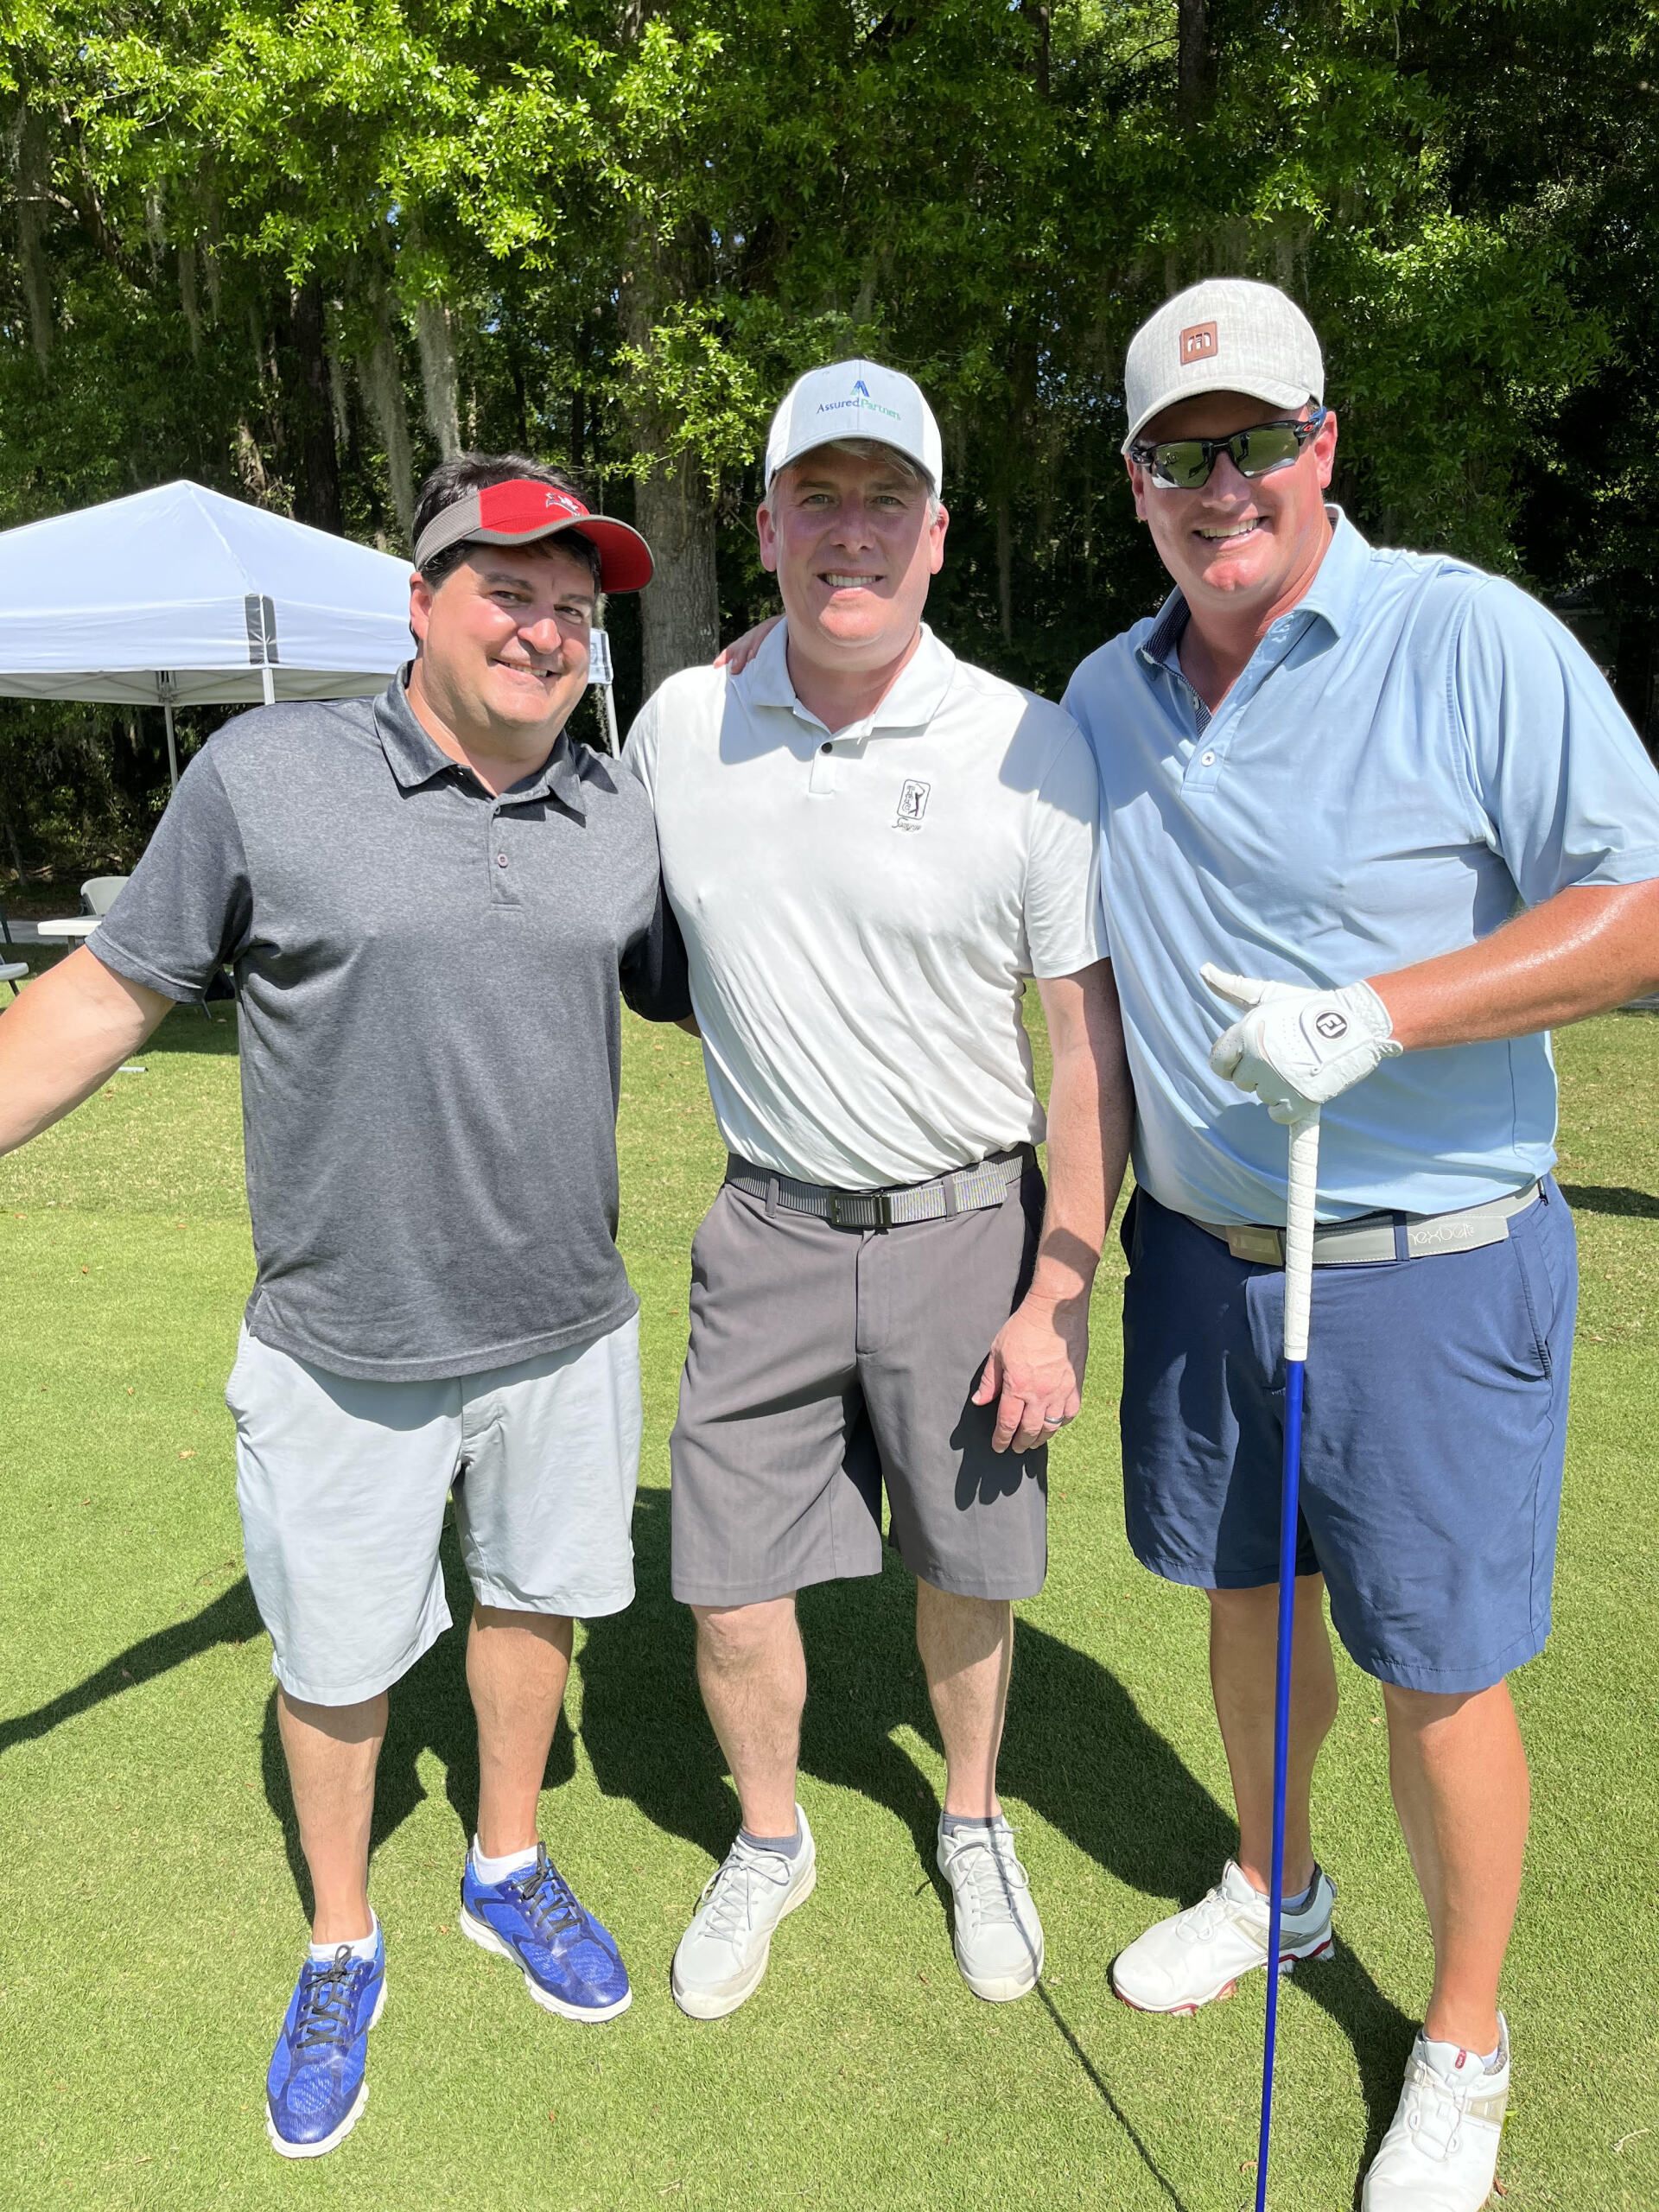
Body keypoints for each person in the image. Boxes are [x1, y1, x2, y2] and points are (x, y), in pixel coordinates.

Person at [0, 455, 689, 2158]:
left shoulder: (617, 808)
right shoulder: (266, 774)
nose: (545, 630)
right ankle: (338, 1937)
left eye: (574, 606)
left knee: (539, 1607)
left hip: (567, 1322)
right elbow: (102, 993)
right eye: (508, 591)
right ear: (422, 600)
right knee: (335, 1663)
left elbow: (749, 976)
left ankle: (505, 1861)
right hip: (344, 1340)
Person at [1060, 278, 1659, 2211]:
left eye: (1255, 442)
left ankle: (1465, 2034)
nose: (1220, 483)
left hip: (1430, 1261)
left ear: (1323, 445)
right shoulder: (1099, 694)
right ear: (1137, 483)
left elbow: (1642, 904)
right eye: (1180, 453)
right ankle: (1276, 1883)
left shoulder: (1465, 632)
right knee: (1248, 1604)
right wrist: (773, 659)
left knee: (1438, 1669)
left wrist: (1386, 1008)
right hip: (1207, 1256)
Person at [624, 360, 1132, 2019]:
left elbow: (1079, 1059)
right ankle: (770, 1840)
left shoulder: (1028, 747)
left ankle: (971, 1818)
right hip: (764, 1224)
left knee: (969, 1567)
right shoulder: (682, 724)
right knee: (724, 1576)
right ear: (765, 526)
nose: (854, 534)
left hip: (966, 1232)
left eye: (886, 501)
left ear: (933, 532)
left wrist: (1058, 1291)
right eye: (818, 500)